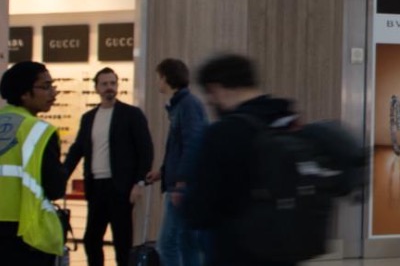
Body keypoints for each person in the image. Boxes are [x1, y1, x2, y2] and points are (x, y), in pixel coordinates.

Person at [181, 54, 299, 266]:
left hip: (236, 251)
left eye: (210, 95)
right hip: (285, 248)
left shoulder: (224, 132)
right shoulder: (287, 120)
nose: (210, 102)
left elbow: (199, 209)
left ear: (217, 89)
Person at [63, 67, 154, 266]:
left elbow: (145, 150)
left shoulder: (131, 114)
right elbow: (78, 149)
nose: (109, 88)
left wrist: (139, 182)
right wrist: (61, 175)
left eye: (112, 83)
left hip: (121, 187)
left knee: (122, 240)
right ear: (96, 88)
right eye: (104, 84)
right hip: (96, 186)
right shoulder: (89, 118)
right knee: (91, 239)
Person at [1, 61, 68, 266]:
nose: (53, 93)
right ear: (24, 94)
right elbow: (55, 187)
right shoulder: (39, 131)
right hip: (27, 231)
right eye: (45, 87)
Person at [145, 58, 209, 266]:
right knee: (187, 242)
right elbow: (179, 148)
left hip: (182, 187)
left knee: (168, 243)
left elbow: (193, 145)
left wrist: (181, 181)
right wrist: (163, 172)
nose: (157, 82)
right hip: (184, 184)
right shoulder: (182, 106)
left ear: (165, 78)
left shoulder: (187, 106)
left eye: (158, 77)